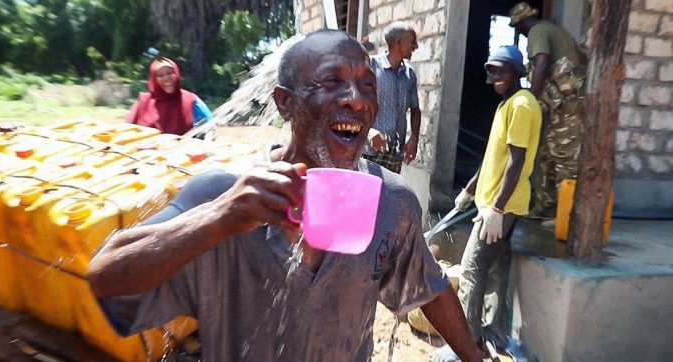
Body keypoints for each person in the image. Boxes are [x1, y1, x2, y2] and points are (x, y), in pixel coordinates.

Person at [87, 30, 482, 362]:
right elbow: (106, 275)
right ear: (285, 102)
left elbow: (431, 287)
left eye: (367, 85)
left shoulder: (391, 201)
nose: (357, 100)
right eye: (331, 82)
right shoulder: (224, 195)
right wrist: (217, 219)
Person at [454, 45, 541, 351]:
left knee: (471, 269)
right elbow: (494, 156)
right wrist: (469, 189)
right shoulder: (507, 105)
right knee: (497, 270)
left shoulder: (521, 105)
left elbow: (516, 162)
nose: (494, 77)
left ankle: (464, 344)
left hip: (500, 208)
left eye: (501, 70)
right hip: (494, 204)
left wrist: (496, 209)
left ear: (518, 72)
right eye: (490, 71)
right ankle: (496, 334)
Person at [509, 2, 587, 222]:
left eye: (518, 27)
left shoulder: (537, 31)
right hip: (566, 104)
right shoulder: (558, 30)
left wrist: (530, 100)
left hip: (566, 106)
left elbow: (542, 63)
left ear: (522, 23)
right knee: (547, 156)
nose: (521, 32)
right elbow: (583, 59)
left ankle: (567, 217)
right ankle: (547, 209)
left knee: (564, 159)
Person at [363, 21, 421, 174]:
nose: (416, 46)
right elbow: (354, 106)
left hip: (395, 153)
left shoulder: (409, 74)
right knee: (367, 196)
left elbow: (415, 110)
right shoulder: (370, 67)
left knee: (390, 196)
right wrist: (368, 132)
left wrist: (414, 138)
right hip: (368, 151)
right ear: (398, 42)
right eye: (412, 41)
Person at [127, 57, 213, 136]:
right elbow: (127, 131)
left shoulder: (191, 100)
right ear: (153, 79)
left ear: (177, 74)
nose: (166, 78)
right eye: (160, 75)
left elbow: (210, 126)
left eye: (170, 73)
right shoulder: (143, 101)